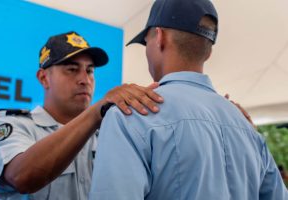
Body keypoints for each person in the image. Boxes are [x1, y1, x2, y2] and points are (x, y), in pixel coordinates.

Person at [89, 0, 288, 199]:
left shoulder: (130, 114)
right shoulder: (247, 129)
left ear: (159, 37)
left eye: (146, 42)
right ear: (209, 52)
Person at [0, 31, 164, 199]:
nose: (85, 80)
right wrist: (95, 112)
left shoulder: (109, 131)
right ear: (43, 78)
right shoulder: (15, 125)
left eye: (89, 71)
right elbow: (21, 177)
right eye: (72, 69)